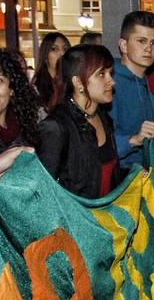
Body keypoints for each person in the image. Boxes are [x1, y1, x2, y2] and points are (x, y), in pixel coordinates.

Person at [38, 44, 123, 199]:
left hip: (106, 217)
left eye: (110, 73)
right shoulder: (56, 127)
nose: (112, 81)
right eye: (102, 74)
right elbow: (43, 191)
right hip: (74, 220)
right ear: (77, 82)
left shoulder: (104, 119)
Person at [110, 9, 154, 170]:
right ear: (124, 45)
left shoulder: (145, 80)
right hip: (121, 180)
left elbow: (149, 126)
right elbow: (96, 145)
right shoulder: (110, 82)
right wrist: (133, 140)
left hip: (144, 176)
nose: (149, 48)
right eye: (141, 41)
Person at [33, 31, 70, 112]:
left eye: (65, 49)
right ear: (45, 55)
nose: (62, 53)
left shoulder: (73, 84)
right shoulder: (35, 90)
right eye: (54, 49)